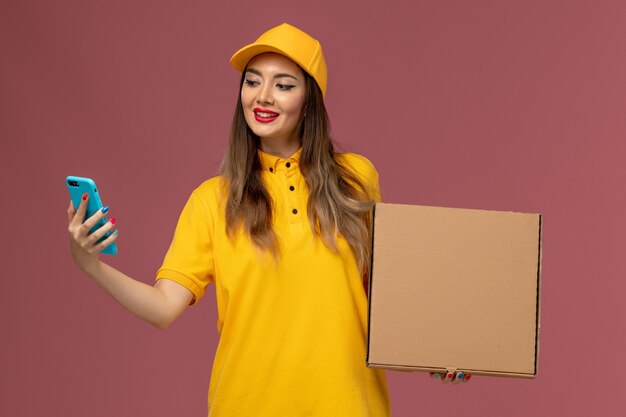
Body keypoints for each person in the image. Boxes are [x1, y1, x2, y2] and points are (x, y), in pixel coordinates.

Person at [67, 22, 469, 417]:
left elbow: (383, 301)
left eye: (283, 85)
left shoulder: (357, 179)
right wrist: (91, 265)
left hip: (350, 407)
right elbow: (162, 308)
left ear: (310, 100)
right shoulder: (212, 200)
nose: (263, 96)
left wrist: (437, 352)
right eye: (252, 81)